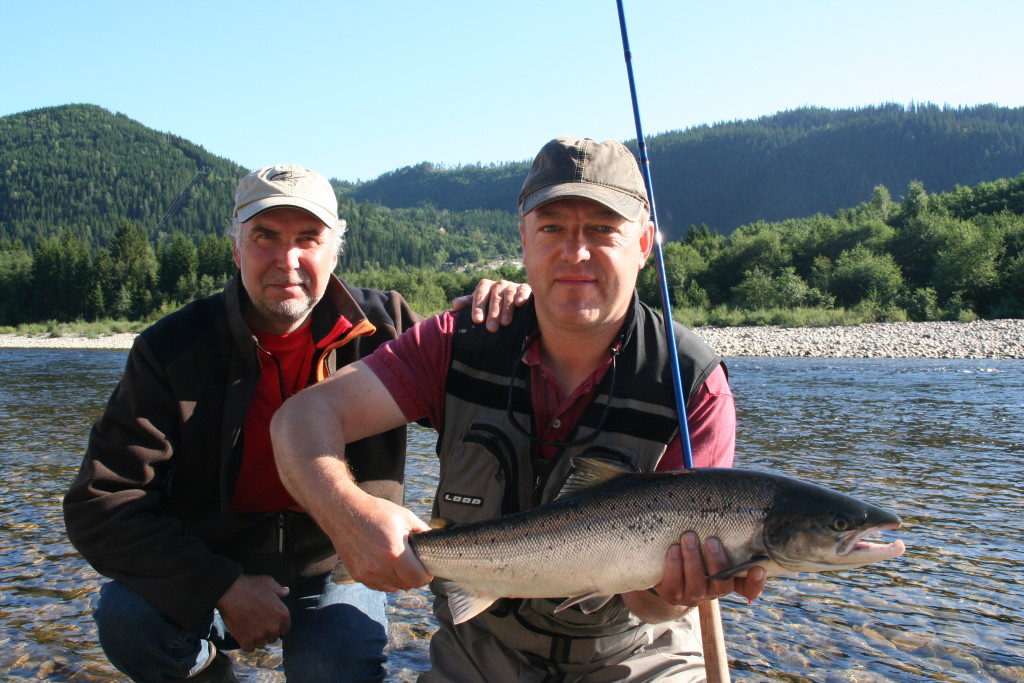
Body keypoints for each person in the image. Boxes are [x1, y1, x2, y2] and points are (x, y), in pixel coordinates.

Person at [270, 137, 768, 682]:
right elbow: (300, 419)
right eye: (552, 227)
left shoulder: (692, 383)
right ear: (524, 240)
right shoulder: (460, 342)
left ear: (645, 243)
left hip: (634, 655)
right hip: (480, 652)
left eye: (603, 229)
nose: (575, 252)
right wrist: (347, 514)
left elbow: (653, 608)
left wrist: (674, 595)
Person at [63, 163, 529, 683]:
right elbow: (101, 503)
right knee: (127, 619)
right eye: (265, 237)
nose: (288, 260)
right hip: (216, 561)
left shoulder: (387, 329)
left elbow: (487, 402)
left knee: (335, 669)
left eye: (309, 238)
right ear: (236, 249)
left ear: (335, 252)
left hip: (338, 562)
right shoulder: (172, 349)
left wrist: (509, 317)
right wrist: (219, 585)